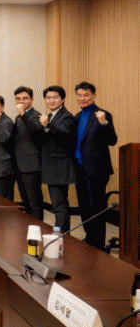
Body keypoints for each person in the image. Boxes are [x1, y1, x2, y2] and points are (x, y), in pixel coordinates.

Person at [73, 82, 117, 250]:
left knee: (97, 209)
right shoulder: (77, 117)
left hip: (96, 170)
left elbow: (112, 140)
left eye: (86, 95)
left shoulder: (102, 114)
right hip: (79, 169)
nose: (82, 98)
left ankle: (98, 246)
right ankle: (89, 240)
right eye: (79, 95)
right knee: (84, 208)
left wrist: (104, 123)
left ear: (94, 96)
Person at [40, 85, 77, 233]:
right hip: (51, 167)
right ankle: (61, 234)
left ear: (62, 99)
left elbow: (65, 134)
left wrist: (48, 125)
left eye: (55, 97)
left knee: (60, 205)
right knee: (58, 205)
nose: (51, 100)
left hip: (59, 168)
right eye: (48, 98)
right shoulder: (50, 116)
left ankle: (60, 235)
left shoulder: (66, 116)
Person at [13, 86, 44, 220]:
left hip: (31, 166)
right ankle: (30, 228)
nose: (21, 101)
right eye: (18, 99)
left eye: (25, 98)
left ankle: (38, 228)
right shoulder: (18, 117)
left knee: (34, 203)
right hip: (19, 166)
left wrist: (23, 114)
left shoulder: (36, 115)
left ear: (31, 100)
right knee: (25, 201)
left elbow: (36, 132)